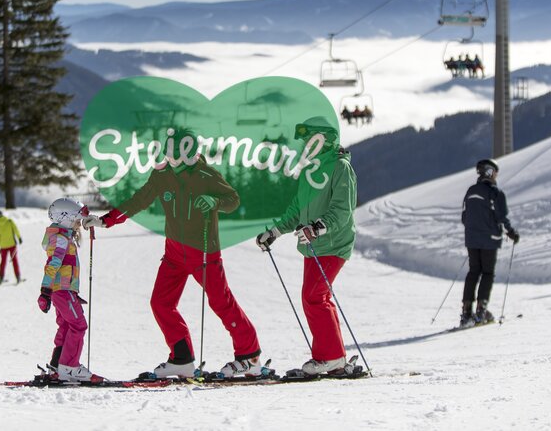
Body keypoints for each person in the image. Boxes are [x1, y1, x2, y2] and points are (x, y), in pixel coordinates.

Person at [82, 127, 263, 379]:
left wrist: (215, 202)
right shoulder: (162, 175)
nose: (171, 155)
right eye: (169, 149)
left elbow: (232, 199)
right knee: (161, 303)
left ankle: (249, 357)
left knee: (221, 302)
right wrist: (106, 220)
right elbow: (139, 200)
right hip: (174, 253)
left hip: (203, 252)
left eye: (177, 150)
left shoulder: (205, 174)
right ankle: (182, 359)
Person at [255, 116, 357, 376]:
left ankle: (330, 357)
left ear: (324, 138)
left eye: (309, 139)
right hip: (314, 245)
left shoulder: (340, 167)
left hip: (334, 243)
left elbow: (343, 209)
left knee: (314, 296)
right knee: (316, 297)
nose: (305, 144)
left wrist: (318, 227)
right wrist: (274, 231)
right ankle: (334, 356)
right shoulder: (310, 169)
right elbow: (296, 209)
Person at [38, 198, 101, 382]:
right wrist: (45, 291)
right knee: (78, 325)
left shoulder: (64, 237)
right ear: (65, 218)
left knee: (66, 326)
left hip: (64, 291)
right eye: (76, 220)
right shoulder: (60, 239)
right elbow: (53, 264)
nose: (79, 223)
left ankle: (57, 365)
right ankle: (70, 367)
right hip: (62, 291)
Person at [460, 158, 520, 327]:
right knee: (487, 273)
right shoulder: (495, 193)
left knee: (473, 272)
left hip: (472, 239)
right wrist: (511, 232)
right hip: (490, 240)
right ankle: (481, 312)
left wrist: (475, 229)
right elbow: (502, 217)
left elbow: (464, 217)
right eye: (495, 172)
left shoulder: (470, 191)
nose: (495, 176)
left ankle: (466, 313)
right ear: (490, 172)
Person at [0, 210, 23, 285]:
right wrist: (19, 237)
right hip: (12, 245)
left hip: (3, 246)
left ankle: (1, 278)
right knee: (14, 261)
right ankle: (18, 277)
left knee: (3, 262)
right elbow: (15, 229)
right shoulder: (9, 221)